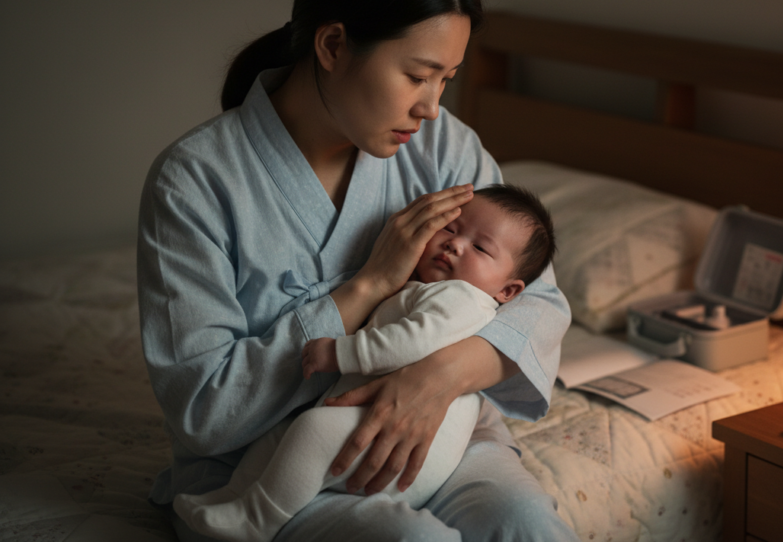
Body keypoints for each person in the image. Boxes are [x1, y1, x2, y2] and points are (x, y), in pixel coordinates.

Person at [137, 0, 579, 540]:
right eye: (418, 75)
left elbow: (538, 302)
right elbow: (203, 410)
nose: (430, 106)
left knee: (526, 523)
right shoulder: (196, 181)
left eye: (446, 79)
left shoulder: (445, 147)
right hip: (271, 466)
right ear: (333, 44)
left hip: (442, 429)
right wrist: (367, 286)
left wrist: (435, 380)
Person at [172, 185, 556, 542]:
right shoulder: (432, 289)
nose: (455, 244)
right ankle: (234, 497)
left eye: (481, 249)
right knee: (282, 437)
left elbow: (411, 342)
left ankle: (257, 519)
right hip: (374, 423)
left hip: (407, 448)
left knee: (311, 430)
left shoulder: (462, 299)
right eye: (450, 228)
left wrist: (342, 351)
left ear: (508, 291)